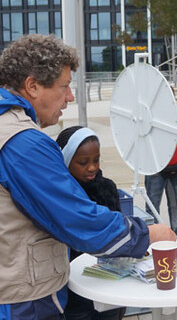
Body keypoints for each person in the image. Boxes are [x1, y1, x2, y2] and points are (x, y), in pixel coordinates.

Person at [0, 34, 176, 320]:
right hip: (12, 304)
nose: (69, 97)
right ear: (32, 86)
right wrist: (146, 234)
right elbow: (78, 220)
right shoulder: (20, 142)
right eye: (64, 86)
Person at [57, 126, 125, 320]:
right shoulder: (59, 196)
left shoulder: (107, 188)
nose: (92, 167)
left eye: (96, 160)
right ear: (65, 160)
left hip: (109, 284)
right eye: (83, 162)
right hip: (74, 291)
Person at [144, 92, 177, 235]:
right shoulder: (150, 120)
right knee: (152, 205)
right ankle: (152, 235)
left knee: (175, 205)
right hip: (155, 171)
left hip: (175, 170)